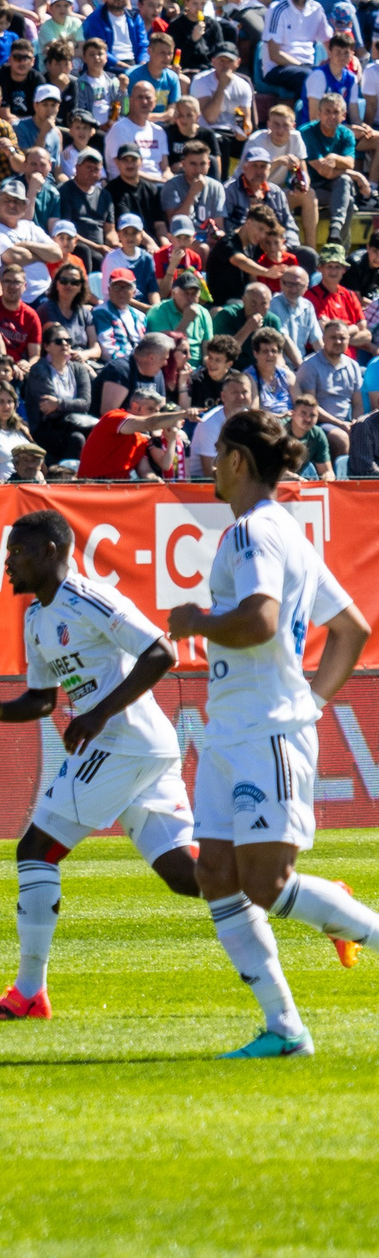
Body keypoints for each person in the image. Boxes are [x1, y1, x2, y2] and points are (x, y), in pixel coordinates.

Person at [166, 408, 379, 1057]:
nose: (208, 466)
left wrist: (196, 620)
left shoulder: (253, 532)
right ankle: (284, 1029)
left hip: (263, 730)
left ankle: (340, 914)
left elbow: (259, 621)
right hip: (233, 727)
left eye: (217, 454)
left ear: (237, 461)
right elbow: (352, 629)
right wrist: (313, 701)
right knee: (218, 875)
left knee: (267, 884)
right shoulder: (283, 532)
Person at [0, 510, 199, 1023]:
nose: (8, 563)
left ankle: (27, 995)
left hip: (123, 743)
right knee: (186, 875)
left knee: (36, 851)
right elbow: (44, 700)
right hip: (137, 748)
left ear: (50, 551)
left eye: (17, 552)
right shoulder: (35, 617)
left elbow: (161, 651)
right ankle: (309, 898)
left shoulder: (87, 598)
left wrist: (96, 714)